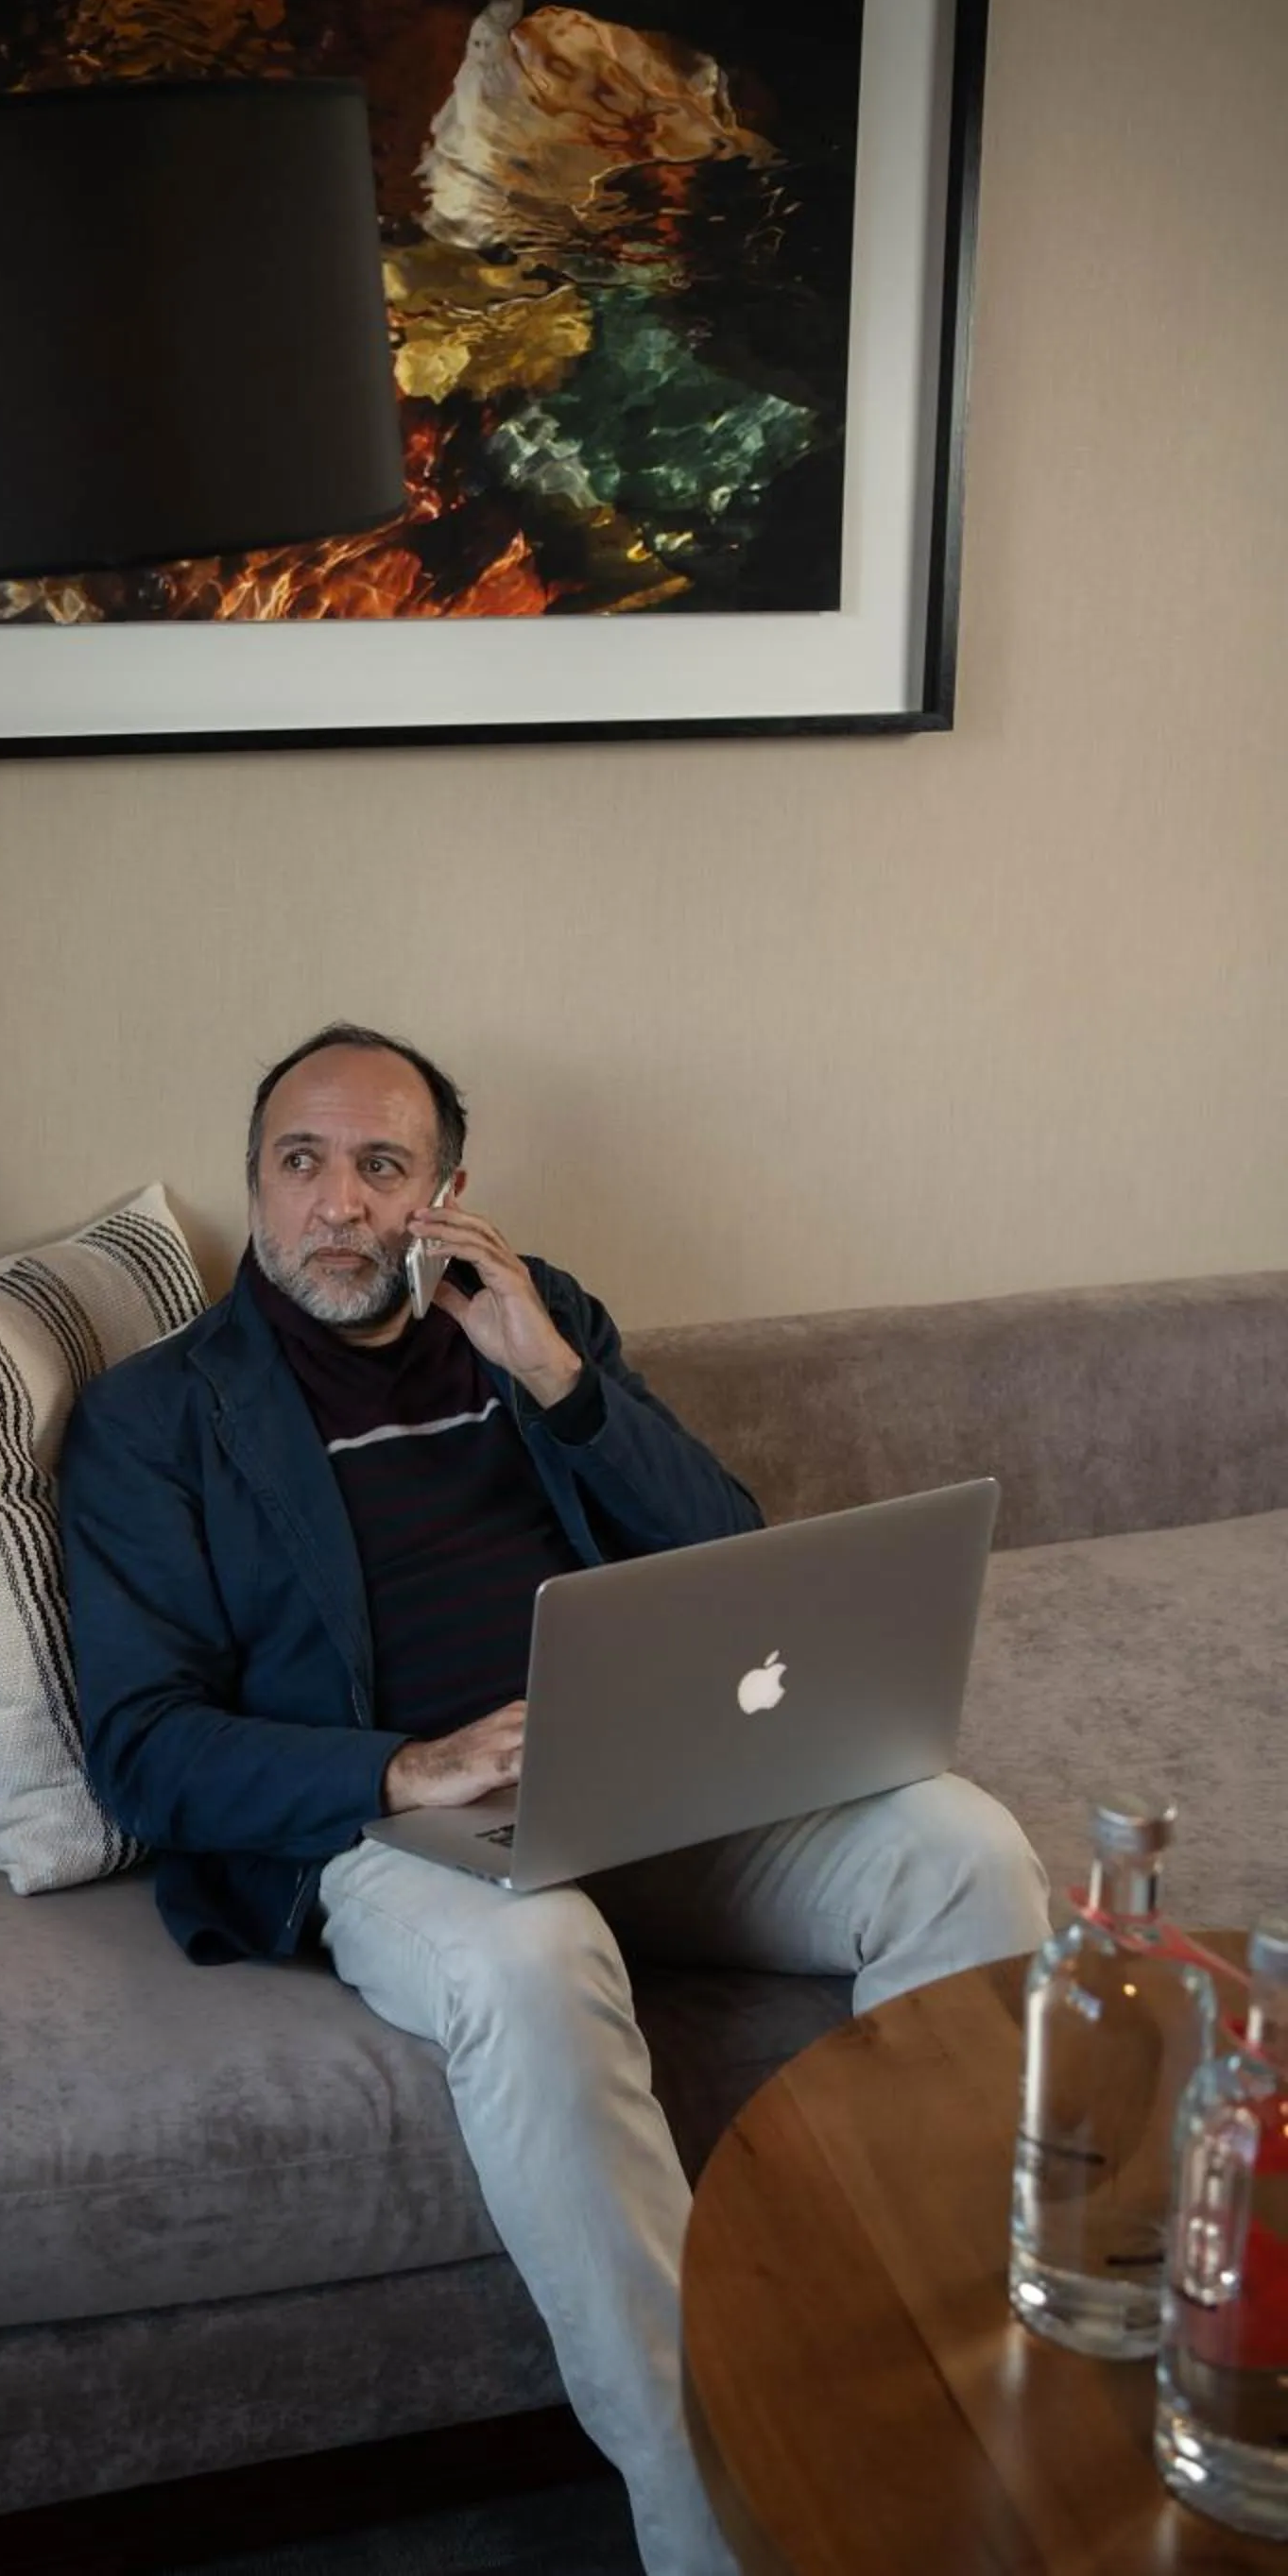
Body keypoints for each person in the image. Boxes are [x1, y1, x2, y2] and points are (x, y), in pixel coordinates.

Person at [59, 1023, 1050, 2576]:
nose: (335, 1205)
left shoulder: (539, 1322)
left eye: (380, 1167)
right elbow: (139, 1742)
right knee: (535, 1958)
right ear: (251, 1186)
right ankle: (713, 2509)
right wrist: (405, 1766)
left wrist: (561, 1376)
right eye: (297, 1164)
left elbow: (724, 1547)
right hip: (387, 1824)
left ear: (446, 1193)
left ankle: (924, 2397)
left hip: (642, 1768)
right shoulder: (156, 1419)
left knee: (963, 1850)